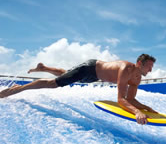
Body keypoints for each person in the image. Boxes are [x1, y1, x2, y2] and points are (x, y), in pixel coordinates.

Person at [0, 54, 157, 125]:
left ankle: (44, 67)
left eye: (151, 67)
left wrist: (146, 108)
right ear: (139, 63)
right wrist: (137, 112)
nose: (150, 70)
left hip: (95, 76)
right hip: (90, 68)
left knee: (67, 75)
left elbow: (130, 99)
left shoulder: (137, 78)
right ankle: (18, 89)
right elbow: (121, 100)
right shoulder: (127, 69)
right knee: (54, 84)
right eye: (149, 66)